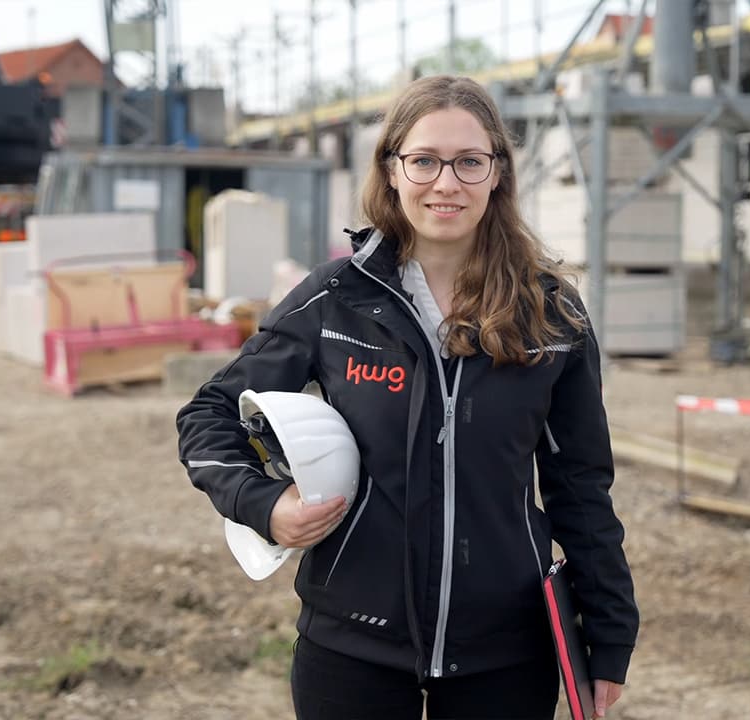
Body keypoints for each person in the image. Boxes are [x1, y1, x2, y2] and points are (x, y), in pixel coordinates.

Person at [176, 74, 639, 720]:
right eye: (423, 160)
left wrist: (610, 635)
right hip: (351, 653)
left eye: (469, 162)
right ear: (392, 170)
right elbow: (208, 416)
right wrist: (264, 504)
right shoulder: (334, 298)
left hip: (506, 656)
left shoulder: (551, 314)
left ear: (498, 173)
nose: (445, 183)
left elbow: (582, 485)